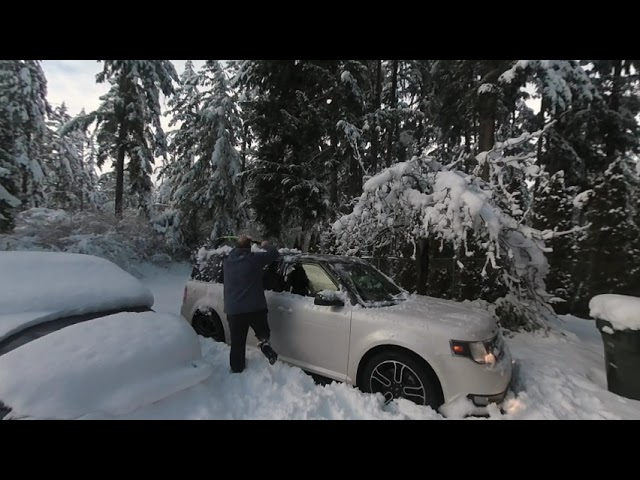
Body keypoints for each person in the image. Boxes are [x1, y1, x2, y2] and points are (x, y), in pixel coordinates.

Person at [223, 234, 279, 373]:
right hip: (255, 308)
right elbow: (274, 253)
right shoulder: (254, 260)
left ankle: (237, 369)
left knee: (237, 343)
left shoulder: (228, 261)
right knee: (262, 331)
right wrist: (265, 244)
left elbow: (235, 251)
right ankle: (264, 344)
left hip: (235, 310)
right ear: (249, 248)